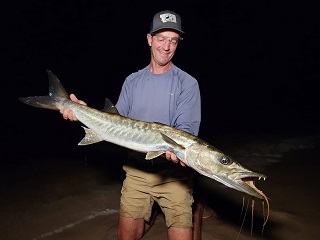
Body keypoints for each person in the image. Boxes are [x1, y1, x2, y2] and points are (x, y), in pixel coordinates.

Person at [60, 10, 205, 240]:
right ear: (149, 39)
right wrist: (81, 111)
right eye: (161, 39)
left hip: (174, 176)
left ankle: (195, 208)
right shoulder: (132, 81)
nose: (166, 47)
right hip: (137, 172)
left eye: (173, 41)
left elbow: (186, 132)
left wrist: (180, 152)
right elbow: (116, 121)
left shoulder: (187, 84)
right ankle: (159, 213)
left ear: (178, 44)